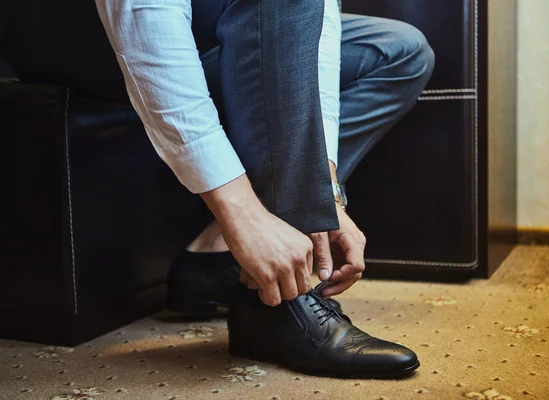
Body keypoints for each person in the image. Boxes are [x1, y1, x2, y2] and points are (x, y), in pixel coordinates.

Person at [2, 0, 434, 379]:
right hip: (70, 29)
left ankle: (213, 259)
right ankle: (274, 307)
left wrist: (322, 192)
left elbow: (313, 30)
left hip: (201, 23)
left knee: (399, 50)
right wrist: (241, 212)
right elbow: (146, 22)